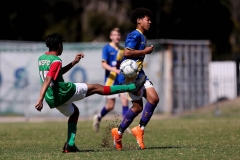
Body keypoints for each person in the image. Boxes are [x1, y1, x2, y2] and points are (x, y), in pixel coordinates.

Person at [34, 33, 146, 153]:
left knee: (74, 113)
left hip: (51, 97)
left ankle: (70, 145)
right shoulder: (56, 60)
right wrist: (39, 99)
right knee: (97, 88)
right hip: (63, 92)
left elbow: (56, 73)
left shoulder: (42, 59)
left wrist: (73, 62)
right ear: (59, 45)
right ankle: (132, 87)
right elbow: (48, 79)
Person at [111, 8, 159, 150]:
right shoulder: (135, 35)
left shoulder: (143, 36)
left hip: (140, 74)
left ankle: (134, 130)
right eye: (147, 19)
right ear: (139, 20)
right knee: (140, 106)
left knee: (150, 101)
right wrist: (144, 51)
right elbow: (126, 52)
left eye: (150, 19)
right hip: (131, 77)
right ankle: (120, 133)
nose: (149, 22)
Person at [92, 28, 131, 133]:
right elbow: (103, 64)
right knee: (110, 106)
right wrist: (113, 69)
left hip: (121, 80)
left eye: (118, 35)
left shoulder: (123, 50)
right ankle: (98, 117)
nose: (117, 37)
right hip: (110, 81)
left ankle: (125, 123)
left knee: (124, 99)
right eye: (115, 35)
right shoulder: (107, 48)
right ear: (111, 37)